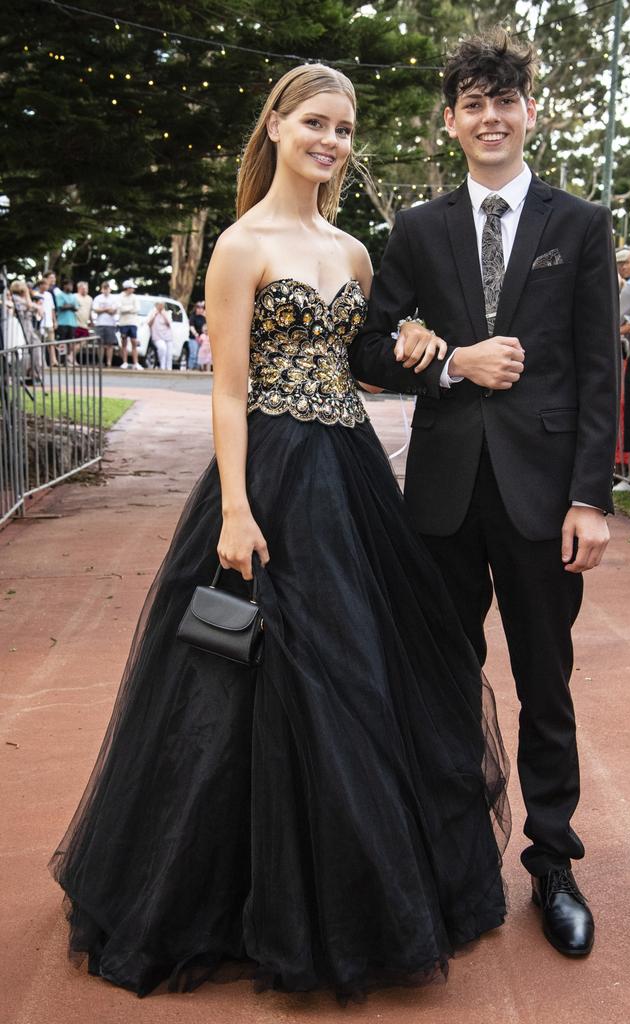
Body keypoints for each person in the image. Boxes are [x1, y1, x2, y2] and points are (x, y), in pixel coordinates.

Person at [50, 63, 510, 1000]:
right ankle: (228, 903)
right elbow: (226, 390)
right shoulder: (238, 245)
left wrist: (419, 345)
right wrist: (234, 505)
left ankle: (366, 894)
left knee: (360, 676)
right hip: (270, 476)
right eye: (314, 122)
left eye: (343, 127)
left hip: (349, 474)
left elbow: (372, 362)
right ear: (276, 127)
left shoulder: (352, 252)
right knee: (247, 683)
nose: (330, 140)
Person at [349, 28, 619, 958]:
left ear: (528, 112)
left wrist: (593, 497)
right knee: (443, 679)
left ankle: (553, 860)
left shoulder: (579, 224)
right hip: (444, 497)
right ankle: (456, 854)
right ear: (454, 119)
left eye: (505, 100)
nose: (490, 117)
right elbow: (372, 348)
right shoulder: (418, 230)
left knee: (547, 682)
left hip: (549, 499)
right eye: (473, 102)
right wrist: (453, 363)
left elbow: (598, 368)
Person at [91, 282, 119, 367]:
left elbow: (113, 311)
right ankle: (100, 361)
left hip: (110, 324)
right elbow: (96, 309)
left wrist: (103, 309)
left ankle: (109, 362)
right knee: (100, 344)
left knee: (110, 344)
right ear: (102, 289)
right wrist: (107, 309)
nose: (106, 290)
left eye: (107, 288)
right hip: (100, 323)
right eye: (104, 288)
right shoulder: (98, 298)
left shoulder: (114, 299)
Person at [117, 278, 142, 369]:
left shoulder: (135, 297)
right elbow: (120, 309)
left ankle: (136, 363)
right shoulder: (120, 297)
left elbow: (137, 309)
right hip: (123, 323)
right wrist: (130, 308)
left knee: (134, 342)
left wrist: (127, 308)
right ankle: (125, 362)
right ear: (127, 288)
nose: (133, 289)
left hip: (133, 323)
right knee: (124, 342)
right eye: (131, 288)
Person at [146, 300, 174, 370]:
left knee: (169, 353)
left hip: (167, 335)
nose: (160, 306)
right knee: (162, 348)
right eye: (159, 305)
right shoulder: (152, 312)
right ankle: (162, 366)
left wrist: (163, 314)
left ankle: (169, 368)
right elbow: (149, 324)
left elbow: (169, 324)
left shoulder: (167, 313)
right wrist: (155, 315)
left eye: (162, 305)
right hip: (157, 335)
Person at [188, 299, 206, 369]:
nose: (200, 309)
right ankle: (190, 368)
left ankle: (197, 369)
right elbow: (191, 327)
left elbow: (205, 327)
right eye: (198, 308)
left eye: (201, 308)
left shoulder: (203, 318)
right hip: (193, 338)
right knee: (193, 355)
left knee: (199, 355)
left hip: (201, 339)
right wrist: (196, 335)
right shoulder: (193, 317)